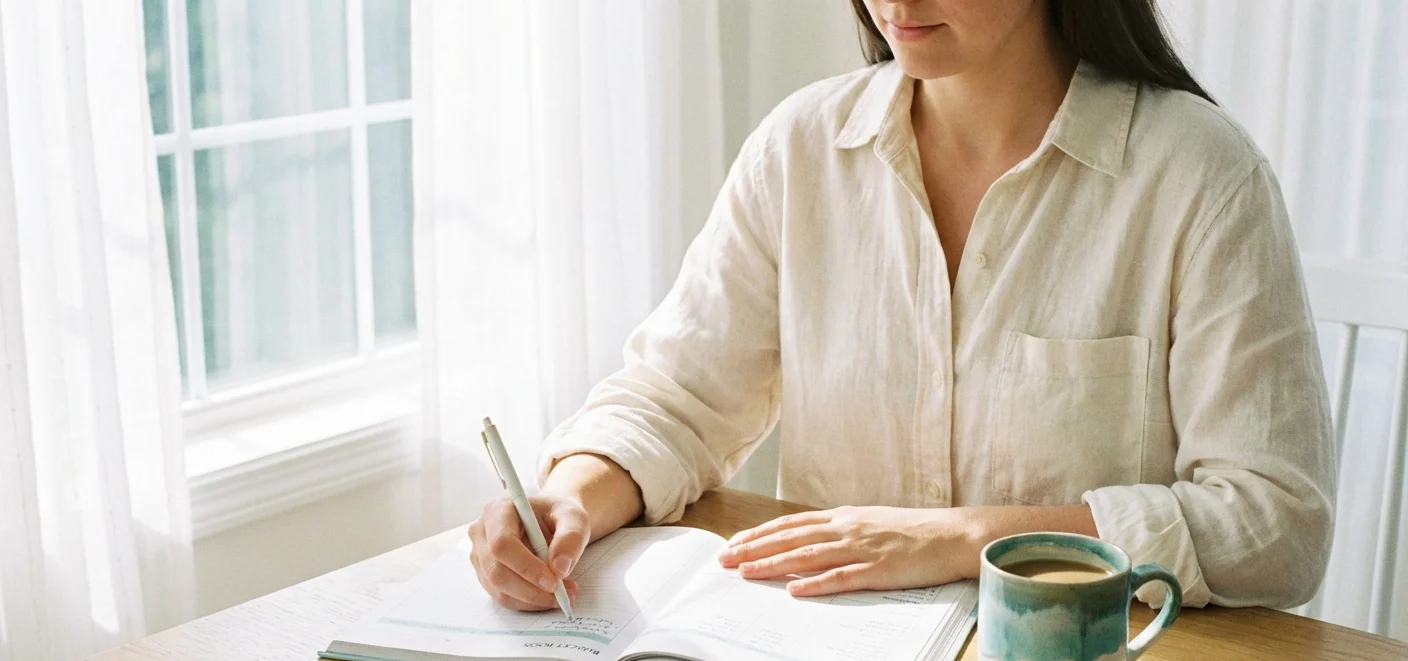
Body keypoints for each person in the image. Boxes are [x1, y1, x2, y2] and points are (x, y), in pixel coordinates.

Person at [468, 0, 1335, 612]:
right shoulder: (799, 150)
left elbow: (1275, 525)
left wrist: (963, 540)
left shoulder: (1202, 179)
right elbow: (675, 400)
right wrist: (572, 496)